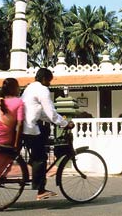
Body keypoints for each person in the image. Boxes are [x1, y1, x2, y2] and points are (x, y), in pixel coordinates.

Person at [21, 68, 74, 201]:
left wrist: (59, 121)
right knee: (41, 158)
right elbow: (51, 112)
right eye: (49, 81)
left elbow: (43, 113)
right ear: (45, 79)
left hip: (24, 126)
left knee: (38, 153)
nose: (50, 84)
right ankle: (41, 190)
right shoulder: (43, 90)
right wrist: (64, 123)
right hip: (31, 128)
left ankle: (34, 166)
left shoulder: (30, 88)